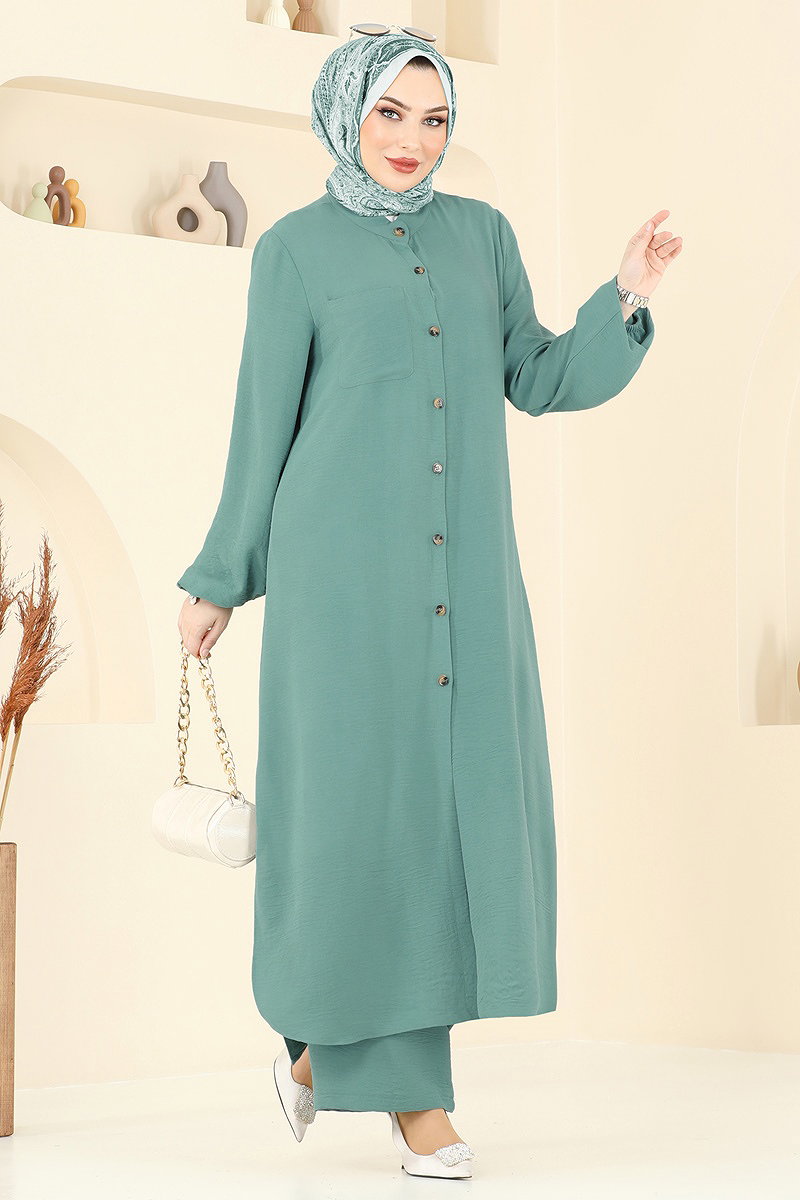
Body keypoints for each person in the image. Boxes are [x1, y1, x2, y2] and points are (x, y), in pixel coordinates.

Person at [176, 28, 680, 1179]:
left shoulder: (479, 235)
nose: (412, 140)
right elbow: (263, 424)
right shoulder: (294, 251)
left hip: (465, 588)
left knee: (447, 833)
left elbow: (539, 376)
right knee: (364, 832)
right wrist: (219, 577)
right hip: (339, 591)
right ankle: (417, 1107)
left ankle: (319, 1061)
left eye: (434, 118)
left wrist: (625, 295)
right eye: (390, 114)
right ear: (345, 112)